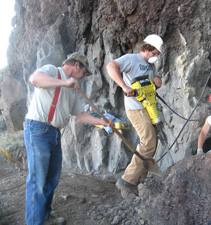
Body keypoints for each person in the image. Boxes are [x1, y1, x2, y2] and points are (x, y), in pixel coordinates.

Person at [24, 52, 114, 225]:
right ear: (77, 65)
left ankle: (45, 216)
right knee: (38, 181)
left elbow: (80, 115)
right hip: (37, 130)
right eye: (84, 72)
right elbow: (35, 79)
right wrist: (64, 82)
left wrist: (103, 122)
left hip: (54, 134)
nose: (84, 76)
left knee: (52, 179)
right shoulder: (52, 71)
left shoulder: (73, 90)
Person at [106, 34, 164, 200]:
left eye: (158, 54)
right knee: (148, 141)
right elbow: (111, 66)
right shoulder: (131, 59)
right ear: (146, 49)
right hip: (135, 108)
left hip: (149, 107)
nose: (156, 56)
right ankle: (126, 182)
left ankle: (139, 181)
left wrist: (156, 81)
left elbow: (157, 79)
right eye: (155, 53)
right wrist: (124, 86)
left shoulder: (150, 65)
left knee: (154, 143)